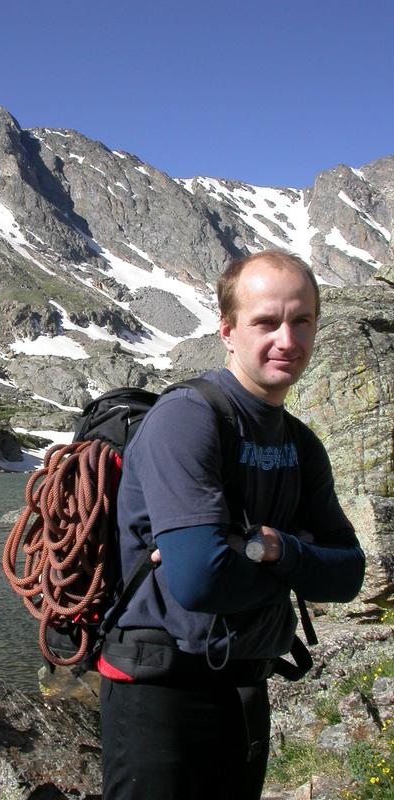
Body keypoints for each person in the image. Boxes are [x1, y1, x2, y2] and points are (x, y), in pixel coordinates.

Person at [99, 249, 366, 800]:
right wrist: (297, 562)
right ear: (227, 330)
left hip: (245, 682)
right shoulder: (188, 417)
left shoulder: (301, 443)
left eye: (302, 320)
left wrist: (274, 549)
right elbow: (201, 580)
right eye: (266, 322)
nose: (287, 340)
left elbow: (349, 575)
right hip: (159, 688)